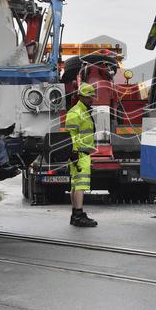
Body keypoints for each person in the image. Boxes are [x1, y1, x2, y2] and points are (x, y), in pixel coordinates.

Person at [65, 82, 98, 227]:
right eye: (89, 97)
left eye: (92, 97)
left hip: (81, 153)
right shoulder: (76, 113)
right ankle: (78, 215)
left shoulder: (83, 111)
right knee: (81, 184)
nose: (91, 99)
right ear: (81, 97)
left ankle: (76, 214)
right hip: (79, 153)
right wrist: (74, 152)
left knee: (76, 184)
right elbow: (71, 135)